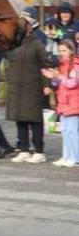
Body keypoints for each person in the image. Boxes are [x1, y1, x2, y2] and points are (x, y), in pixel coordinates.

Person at [6, 9, 55, 164]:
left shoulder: (37, 44)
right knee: (20, 120)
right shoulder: (13, 43)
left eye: (23, 22)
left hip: (33, 87)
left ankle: (39, 151)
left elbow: (46, 65)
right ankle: (24, 149)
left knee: (35, 121)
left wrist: (47, 85)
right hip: (16, 87)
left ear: (29, 26)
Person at [43, 39, 79, 167]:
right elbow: (57, 84)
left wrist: (58, 76)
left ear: (71, 50)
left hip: (74, 102)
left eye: (64, 50)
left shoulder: (75, 64)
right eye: (60, 51)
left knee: (72, 131)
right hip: (63, 101)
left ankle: (75, 157)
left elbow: (72, 83)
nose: (61, 53)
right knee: (64, 130)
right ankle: (66, 156)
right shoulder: (61, 65)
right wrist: (52, 77)